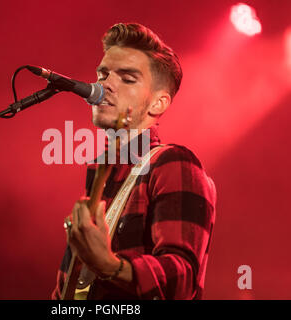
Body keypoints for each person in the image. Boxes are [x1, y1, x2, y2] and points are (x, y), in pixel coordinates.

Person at [52, 23, 216, 300]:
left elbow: (182, 279)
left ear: (157, 104)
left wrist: (109, 265)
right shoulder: (100, 172)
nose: (105, 85)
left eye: (127, 79)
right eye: (103, 74)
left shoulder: (172, 163)